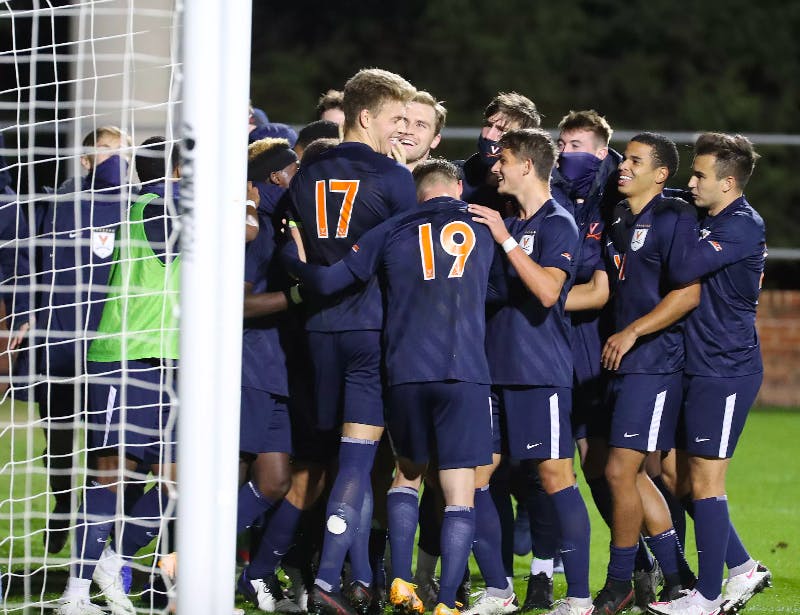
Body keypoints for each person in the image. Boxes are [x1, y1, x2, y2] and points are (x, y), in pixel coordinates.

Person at [285, 158, 496, 615]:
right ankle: (445, 602)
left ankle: (400, 584)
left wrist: (292, 255)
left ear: (416, 193)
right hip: (466, 373)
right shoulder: (486, 224)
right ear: (457, 188)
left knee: (406, 477)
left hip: (405, 374)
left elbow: (329, 280)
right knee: (460, 490)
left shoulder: (394, 227)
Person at [285, 67, 417, 615]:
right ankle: (327, 580)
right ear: (366, 116)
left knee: (331, 462)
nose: (401, 131)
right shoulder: (393, 178)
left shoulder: (304, 176)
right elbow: (406, 264)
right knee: (357, 465)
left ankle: (360, 577)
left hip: (316, 331)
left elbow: (289, 247)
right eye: (395, 119)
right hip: (369, 330)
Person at [467, 128, 592, 615]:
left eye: (504, 159)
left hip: (539, 373)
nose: (495, 167)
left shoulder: (558, 222)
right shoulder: (508, 221)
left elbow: (547, 293)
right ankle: (499, 590)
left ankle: (579, 596)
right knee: (474, 477)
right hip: (492, 371)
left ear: (527, 166)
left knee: (556, 475)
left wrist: (503, 240)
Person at [54, 136, 180, 615]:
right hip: (126, 358)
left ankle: (115, 560)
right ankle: (77, 592)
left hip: (173, 361)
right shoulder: (152, 205)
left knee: (178, 484)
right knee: (112, 476)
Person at [648, 133, 771, 615]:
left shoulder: (742, 225)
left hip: (726, 368)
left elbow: (684, 265)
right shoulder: (706, 214)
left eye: (700, 176)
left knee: (706, 481)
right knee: (676, 472)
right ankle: (742, 569)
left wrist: (672, 221)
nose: (690, 182)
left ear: (729, 182)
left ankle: (709, 595)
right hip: (696, 365)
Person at [593, 133, 699, 614]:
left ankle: (621, 583)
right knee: (629, 475)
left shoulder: (674, 217)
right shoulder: (617, 217)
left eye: (636, 161)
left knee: (620, 470)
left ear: (661, 174)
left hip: (655, 363)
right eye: (624, 158)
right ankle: (678, 577)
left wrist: (633, 332)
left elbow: (687, 293)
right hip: (621, 361)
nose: (624, 166)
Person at [32, 126, 131, 555]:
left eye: (121, 154)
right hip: (60, 342)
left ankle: (92, 527)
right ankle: (59, 502)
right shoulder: (59, 205)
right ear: (86, 160)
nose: (115, 160)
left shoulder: (134, 206)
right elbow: (34, 266)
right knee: (57, 436)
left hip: (107, 343)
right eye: (106, 152)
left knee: (101, 440)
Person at [235, 138, 304, 614]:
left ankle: (243, 574)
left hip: (276, 370)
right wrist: (301, 298)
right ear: (278, 176)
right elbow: (237, 304)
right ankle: (172, 560)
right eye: (295, 169)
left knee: (276, 480)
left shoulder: (278, 223)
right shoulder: (255, 229)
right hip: (250, 367)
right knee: (228, 479)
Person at [459, 92, 541, 212]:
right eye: (489, 125)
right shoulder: (457, 176)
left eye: (502, 130)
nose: (489, 136)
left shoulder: (540, 190)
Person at [398, 90, 446, 171]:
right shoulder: (369, 179)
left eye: (420, 125)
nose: (408, 131)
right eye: (403, 121)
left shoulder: (452, 180)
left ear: (435, 140)